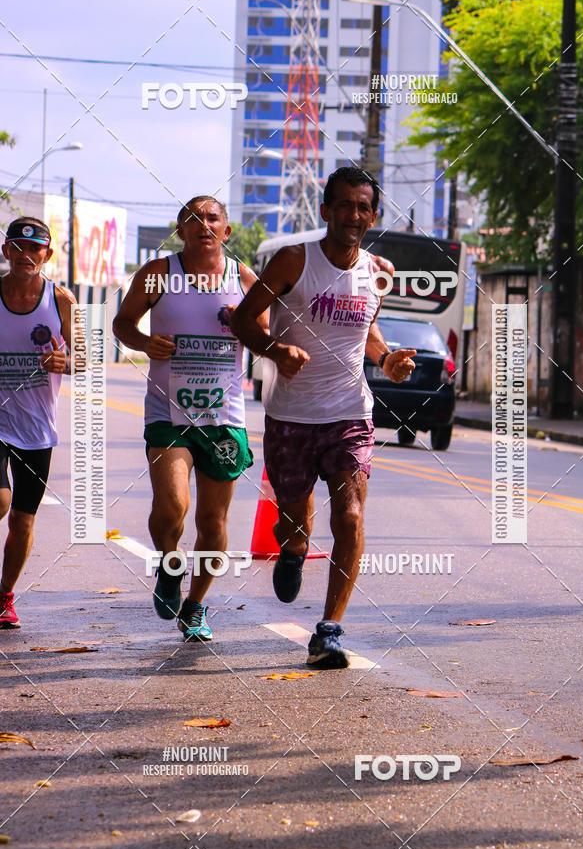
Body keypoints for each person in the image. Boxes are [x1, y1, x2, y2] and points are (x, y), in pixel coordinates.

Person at [230, 167, 415, 669]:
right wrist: (274, 350)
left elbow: (366, 332)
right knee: (294, 524)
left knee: (351, 516)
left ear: (372, 215)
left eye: (363, 207)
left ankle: (329, 630)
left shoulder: (379, 271)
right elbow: (244, 318)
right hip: (290, 415)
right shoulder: (294, 259)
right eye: (344, 205)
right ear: (325, 210)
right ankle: (292, 551)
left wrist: (387, 360)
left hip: (350, 413)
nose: (354, 215)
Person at [113, 196, 266, 642]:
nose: (203, 224)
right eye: (193, 219)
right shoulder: (159, 273)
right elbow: (123, 322)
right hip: (169, 413)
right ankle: (168, 562)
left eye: (212, 218)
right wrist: (144, 342)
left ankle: (196, 606)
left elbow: (266, 339)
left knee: (213, 522)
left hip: (224, 417)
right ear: (180, 230)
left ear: (227, 230)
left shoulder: (246, 280)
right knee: (172, 506)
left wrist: (247, 324)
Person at [0, 217, 75, 629]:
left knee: (22, 520)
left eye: (36, 248)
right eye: (18, 247)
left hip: (36, 429)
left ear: (47, 254)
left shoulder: (61, 300)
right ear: (6, 251)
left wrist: (67, 361)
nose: (27, 255)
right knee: (0, 501)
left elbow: (86, 360)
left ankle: (5, 595)